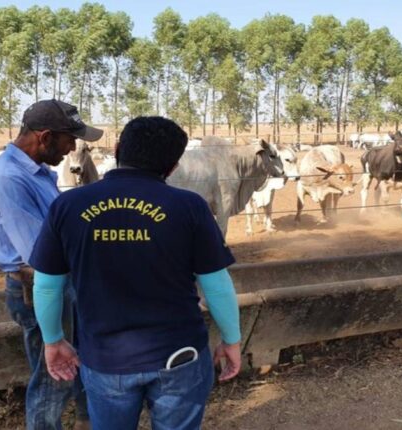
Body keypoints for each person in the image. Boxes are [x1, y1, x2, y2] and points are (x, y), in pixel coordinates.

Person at [29, 116, 242, 430]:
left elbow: (46, 285)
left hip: (105, 360)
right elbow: (216, 284)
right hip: (179, 356)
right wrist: (232, 340)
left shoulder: (68, 205)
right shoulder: (189, 206)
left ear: (117, 149)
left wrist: (53, 340)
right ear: (172, 166)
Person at [0, 99, 103, 430]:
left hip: (57, 284)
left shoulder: (35, 173)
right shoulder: (7, 180)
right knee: (52, 377)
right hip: (40, 287)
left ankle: (89, 421)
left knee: (75, 360)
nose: (73, 147)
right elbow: (40, 254)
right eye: (69, 139)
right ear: (45, 137)